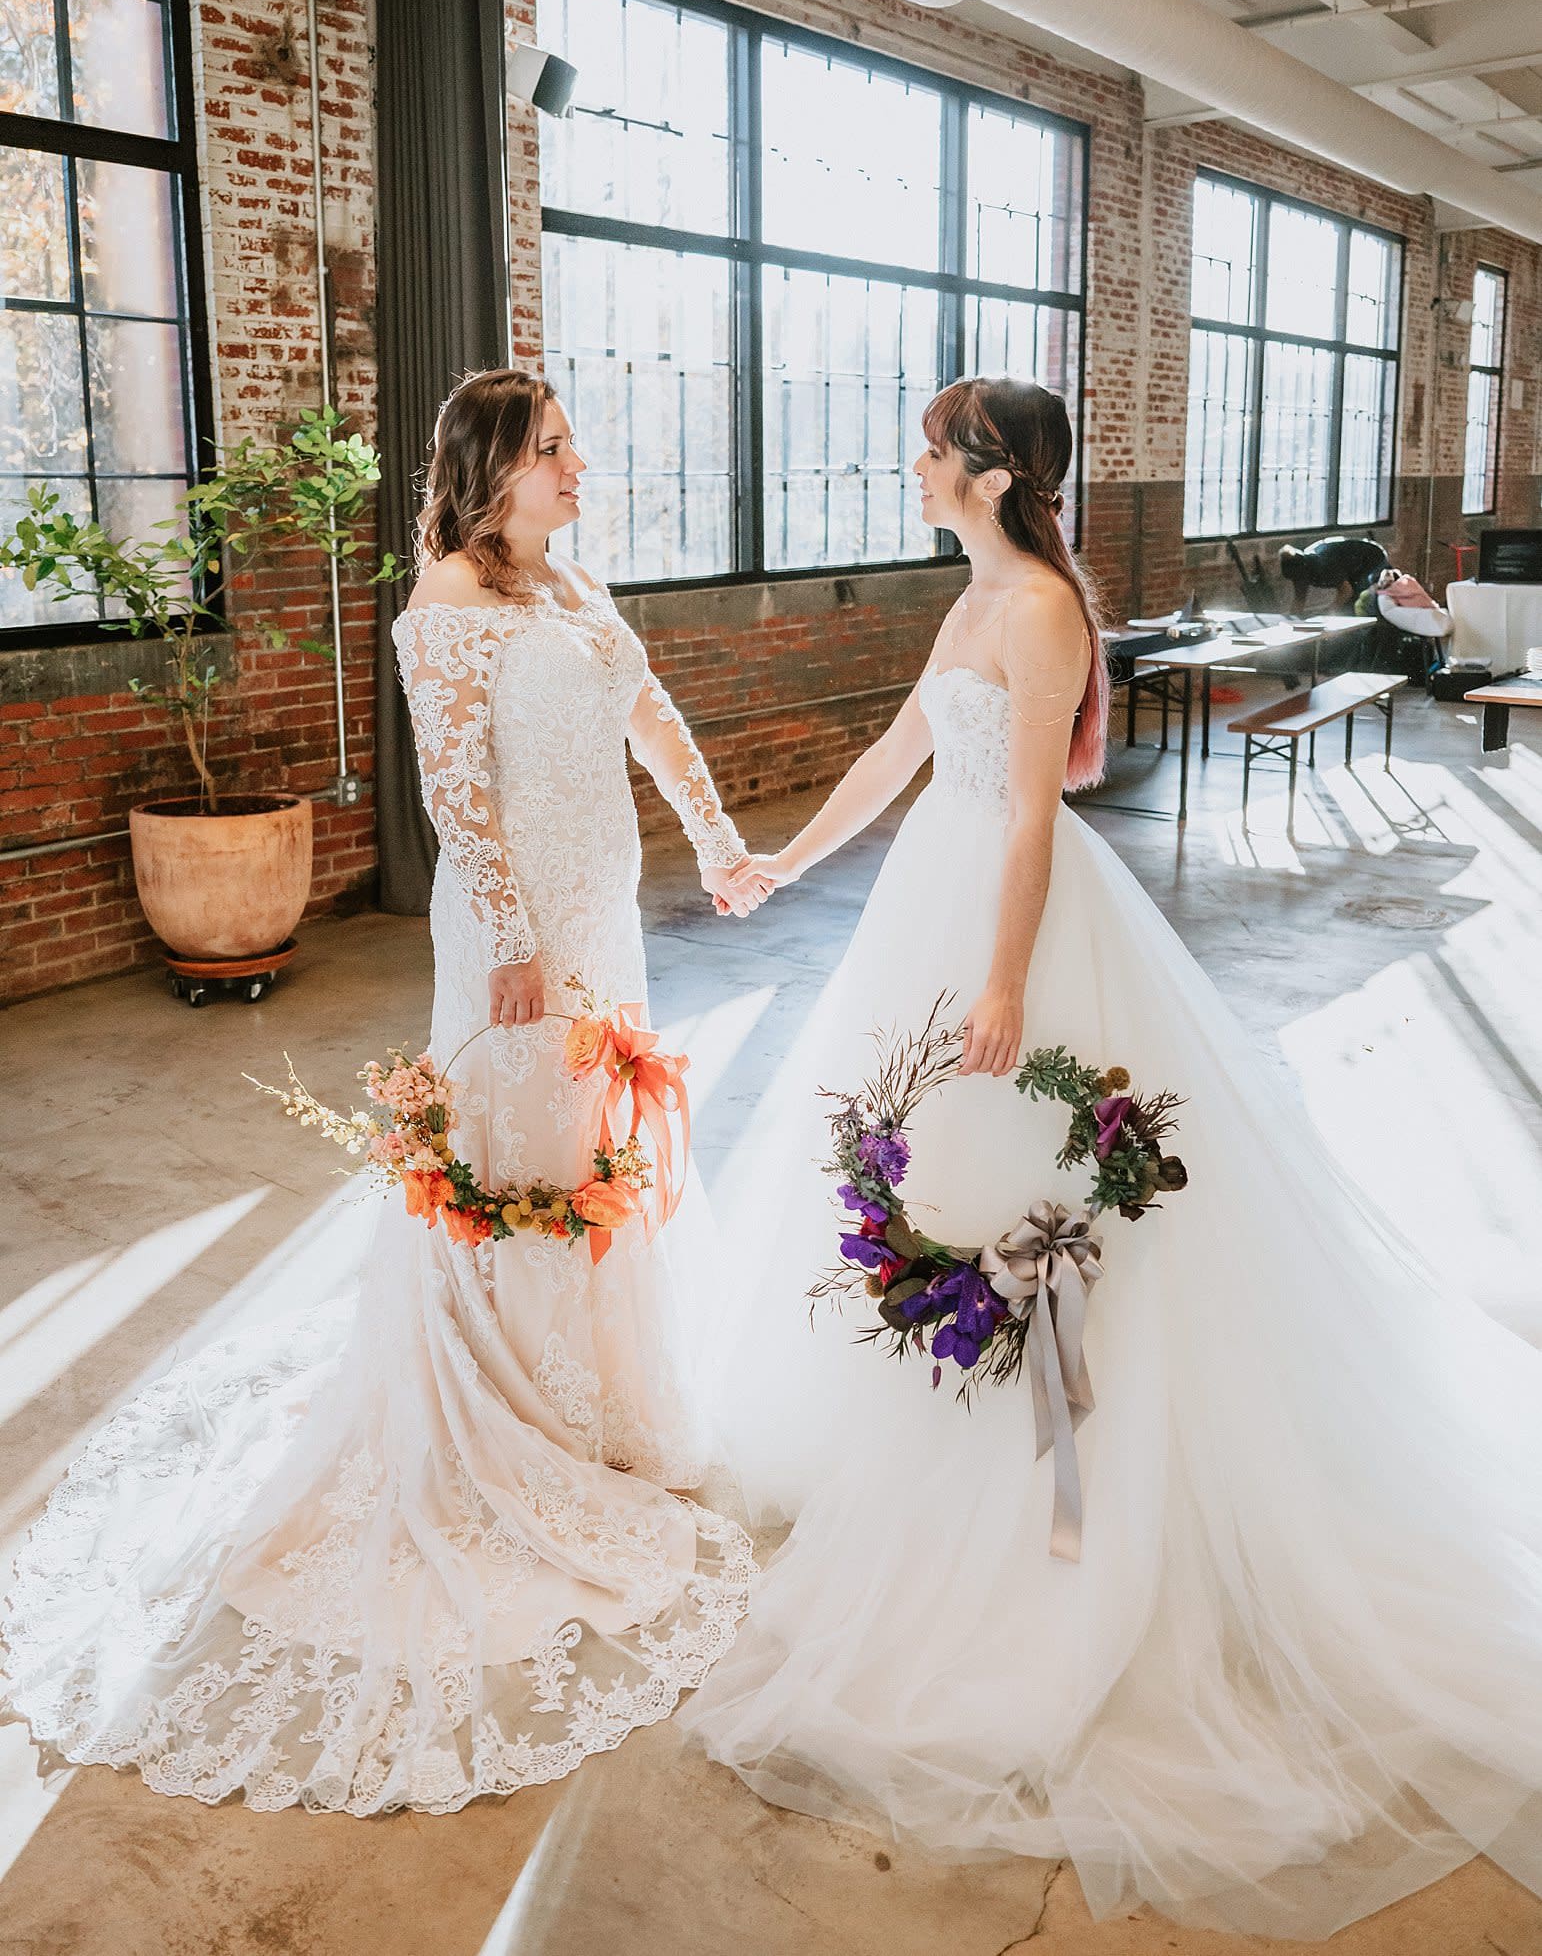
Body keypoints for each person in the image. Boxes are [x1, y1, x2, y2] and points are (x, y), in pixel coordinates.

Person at [680, 375, 1542, 1939]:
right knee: (923, 1181)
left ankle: (1062, 1485)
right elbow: (899, 751)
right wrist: (779, 861)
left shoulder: (1037, 611)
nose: (915, 459)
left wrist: (1003, 981)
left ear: (991, 476)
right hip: (919, 904)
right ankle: (932, 1437)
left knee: (1035, 1191)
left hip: (1006, 923)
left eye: (934, 445)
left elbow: (1021, 820)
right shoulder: (973, 596)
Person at [0, 368, 757, 1813]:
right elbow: (454, 790)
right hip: (517, 935)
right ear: (487, 473)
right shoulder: (441, 609)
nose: (575, 463)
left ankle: (602, 1405)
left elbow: (649, 717)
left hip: (606, 921)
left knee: (600, 1143)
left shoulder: (576, 586)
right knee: (517, 1155)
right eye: (551, 450)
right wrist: (513, 942)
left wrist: (713, 840)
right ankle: (506, 1414)